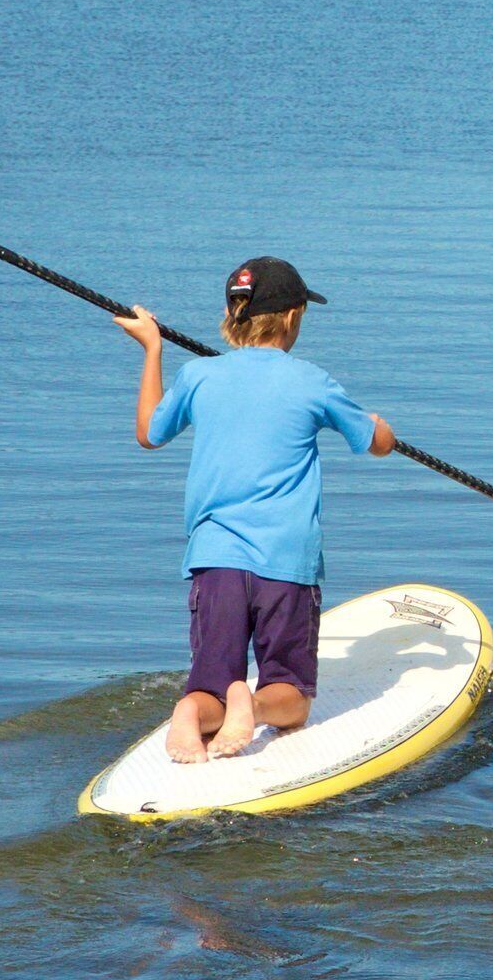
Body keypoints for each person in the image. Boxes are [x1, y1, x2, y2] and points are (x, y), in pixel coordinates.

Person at [117, 257, 396, 765]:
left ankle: (192, 711)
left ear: (232, 312)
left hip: (215, 559)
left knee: (210, 686)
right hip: (284, 561)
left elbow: (149, 433)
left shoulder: (198, 374)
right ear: (292, 317)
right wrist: (379, 425)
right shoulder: (312, 381)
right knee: (292, 697)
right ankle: (256, 703)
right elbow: (376, 444)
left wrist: (152, 348)